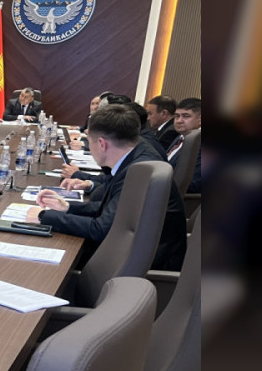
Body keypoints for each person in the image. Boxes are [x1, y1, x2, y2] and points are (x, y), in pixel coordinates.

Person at [29, 105, 187, 271]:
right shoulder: (136, 156)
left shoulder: (137, 171)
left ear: (101, 144)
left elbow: (102, 229)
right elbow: (115, 210)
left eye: (89, 142)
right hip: (137, 251)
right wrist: (67, 207)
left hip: (143, 266)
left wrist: (44, 216)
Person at [165, 97, 202, 193]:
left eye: (186, 116)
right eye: (177, 116)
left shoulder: (200, 144)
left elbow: (195, 183)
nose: (179, 120)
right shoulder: (181, 137)